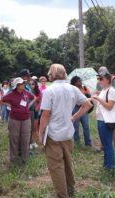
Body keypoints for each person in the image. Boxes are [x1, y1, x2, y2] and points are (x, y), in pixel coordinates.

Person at [39, 64, 92, 198]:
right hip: (68, 133)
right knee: (68, 162)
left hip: (53, 134)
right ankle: (70, 187)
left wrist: (40, 132)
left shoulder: (49, 91)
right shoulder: (73, 88)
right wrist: (73, 118)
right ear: (64, 73)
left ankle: (62, 194)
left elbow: (45, 115)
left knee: (56, 166)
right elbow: (88, 105)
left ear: (51, 75)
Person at [0, 77, 36, 164]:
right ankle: (14, 159)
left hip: (26, 119)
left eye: (24, 83)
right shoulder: (11, 94)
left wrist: (29, 105)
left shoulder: (26, 92)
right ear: (17, 86)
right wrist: (10, 105)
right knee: (14, 138)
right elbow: (1, 101)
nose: (24, 84)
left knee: (26, 138)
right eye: (22, 83)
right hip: (14, 119)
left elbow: (34, 97)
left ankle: (25, 158)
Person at [92, 69, 115, 175]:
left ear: (107, 80)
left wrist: (98, 99)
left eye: (101, 79)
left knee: (108, 144)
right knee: (105, 143)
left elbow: (109, 106)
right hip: (101, 120)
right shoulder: (104, 90)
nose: (99, 81)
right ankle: (106, 164)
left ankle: (110, 167)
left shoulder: (111, 91)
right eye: (98, 79)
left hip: (106, 121)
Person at [96, 66, 115, 150]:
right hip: (103, 105)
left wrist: (101, 96)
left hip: (111, 104)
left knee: (114, 128)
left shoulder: (114, 81)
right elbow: (101, 90)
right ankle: (104, 145)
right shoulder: (99, 81)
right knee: (104, 130)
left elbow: (114, 93)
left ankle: (114, 148)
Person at [70, 76, 92, 147]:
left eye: (80, 80)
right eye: (78, 81)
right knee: (76, 126)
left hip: (84, 108)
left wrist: (86, 93)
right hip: (75, 108)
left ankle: (88, 142)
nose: (80, 82)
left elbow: (89, 97)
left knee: (86, 126)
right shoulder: (72, 89)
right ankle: (77, 142)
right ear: (74, 82)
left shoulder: (84, 88)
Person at [29, 79, 42, 149]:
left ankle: (33, 142)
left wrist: (37, 107)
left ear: (35, 84)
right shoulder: (27, 91)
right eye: (30, 84)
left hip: (36, 111)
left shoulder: (38, 92)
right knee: (29, 128)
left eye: (33, 84)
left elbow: (40, 101)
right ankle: (29, 142)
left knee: (34, 128)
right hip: (28, 111)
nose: (31, 85)